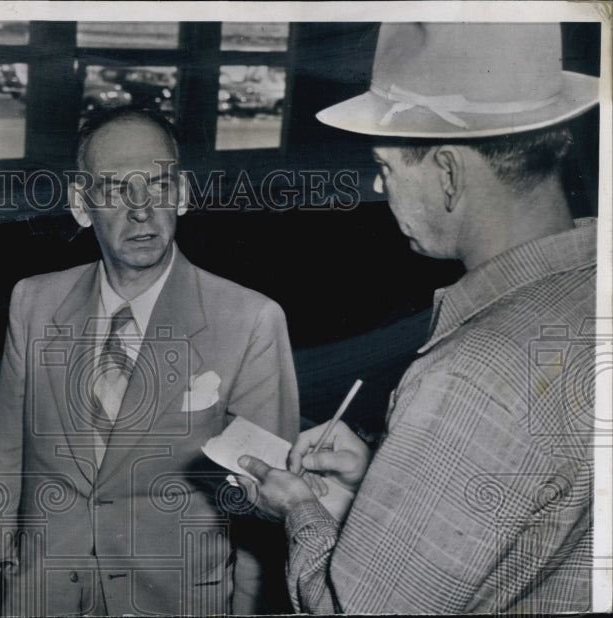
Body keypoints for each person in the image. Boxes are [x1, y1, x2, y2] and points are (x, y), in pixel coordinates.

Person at [237, 23, 597, 613]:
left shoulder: (469, 375)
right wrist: (384, 481)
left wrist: (297, 509)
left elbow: (345, 608)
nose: (380, 186)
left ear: (450, 174)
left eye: (387, 167)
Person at [0, 107, 300, 616]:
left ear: (183, 193)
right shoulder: (33, 303)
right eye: (112, 188)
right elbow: (6, 471)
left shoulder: (251, 320)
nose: (140, 209)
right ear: (81, 205)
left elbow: (264, 511)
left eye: (157, 184)